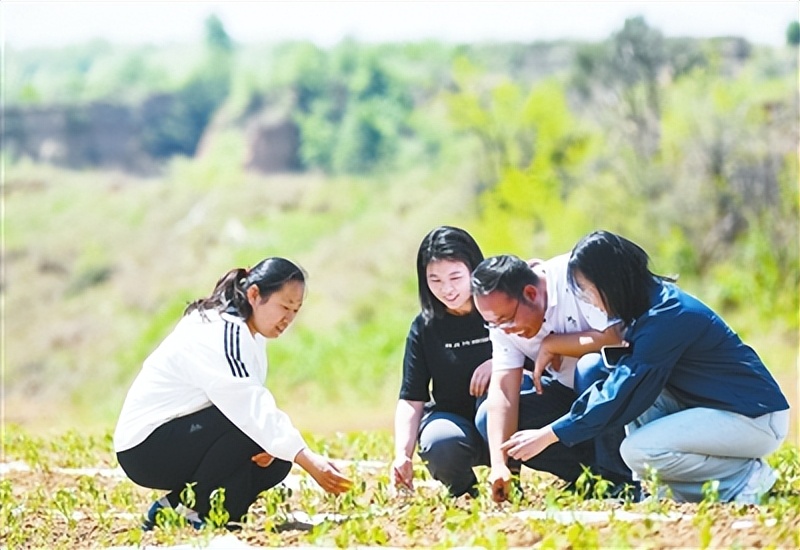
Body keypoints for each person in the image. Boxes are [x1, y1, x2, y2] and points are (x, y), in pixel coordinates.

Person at [501, 230, 790, 504]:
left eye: (588, 291)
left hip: (755, 418)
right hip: (714, 407)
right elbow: (624, 390)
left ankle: (744, 479)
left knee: (637, 451)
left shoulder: (666, 316)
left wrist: (549, 434)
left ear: (611, 283)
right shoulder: (646, 308)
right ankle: (680, 487)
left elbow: (620, 393)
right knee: (631, 404)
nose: (589, 301)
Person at [114, 258, 352, 530]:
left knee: (274, 460)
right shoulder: (222, 329)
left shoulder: (249, 334)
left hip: (181, 436)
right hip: (146, 448)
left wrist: (280, 448)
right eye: (284, 306)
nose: (288, 318)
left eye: (295, 310)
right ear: (254, 294)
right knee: (249, 429)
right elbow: (247, 405)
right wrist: (308, 459)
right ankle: (184, 508)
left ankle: (206, 513)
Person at [471, 253, 635, 503]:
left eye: (507, 320)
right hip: (569, 400)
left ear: (531, 293)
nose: (504, 329)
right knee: (488, 417)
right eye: (493, 324)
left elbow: (615, 337)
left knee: (590, 368)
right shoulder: (502, 322)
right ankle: (589, 477)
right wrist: (499, 465)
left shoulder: (577, 276)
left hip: (622, 397)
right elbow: (504, 392)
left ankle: (620, 481)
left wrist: (555, 344)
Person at [392, 226, 492, 498]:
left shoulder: (500, 306)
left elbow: (538, 356)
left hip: (506, 416)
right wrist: (403, 454)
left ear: (474, 268)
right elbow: (412, 398)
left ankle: (511, 475)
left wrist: (502, 362)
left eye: (456, 277)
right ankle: (464, 493)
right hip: (456, 422)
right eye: (435, 280)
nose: (447, 289)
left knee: (492, 408)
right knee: (440, 441)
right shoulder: (425, 327)